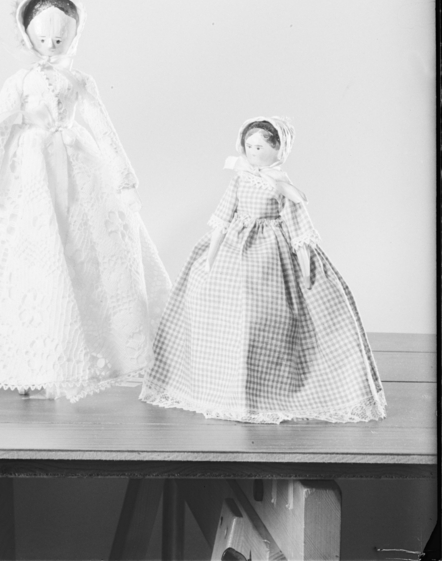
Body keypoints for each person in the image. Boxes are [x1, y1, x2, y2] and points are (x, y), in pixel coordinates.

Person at [0, 0, 170, 400]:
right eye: (43, 38)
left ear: (75, 36)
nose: (51, 45)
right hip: (28, 169)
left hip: (78, 165)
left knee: (84, 251)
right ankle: (29, 360)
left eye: (60, 38)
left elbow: (104, 130)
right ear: (28, 37)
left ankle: (77, 357)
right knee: (28, 257)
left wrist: (123, 180)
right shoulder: (19, 82)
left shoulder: (80, 82)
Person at [140, 117, 386, 423]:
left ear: (279, 149)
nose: (253, 152)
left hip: (273, 251)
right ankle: (213, 388)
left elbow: (299, 228)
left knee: (268, 316)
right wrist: (209, 257)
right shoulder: (239, 180)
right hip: (234, 248)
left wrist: (306, 268)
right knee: (219, 313)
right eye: (249, 146)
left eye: (260, 147)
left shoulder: (282, 186)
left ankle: (276, 391)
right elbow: (222, 218)